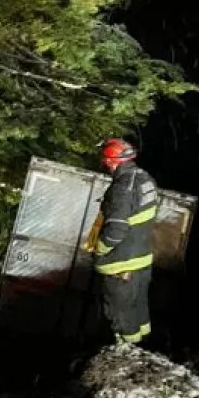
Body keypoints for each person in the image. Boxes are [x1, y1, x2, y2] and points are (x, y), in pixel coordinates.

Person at [85, 138, 158, 345]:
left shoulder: (122, 187)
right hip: (141, 259)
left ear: (110, 161)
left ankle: (125, 353)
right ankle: (143, 352)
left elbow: (116, 228)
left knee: (120, 313)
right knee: (138, 310)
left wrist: (100, 249)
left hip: (121, 263)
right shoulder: (145, 179)